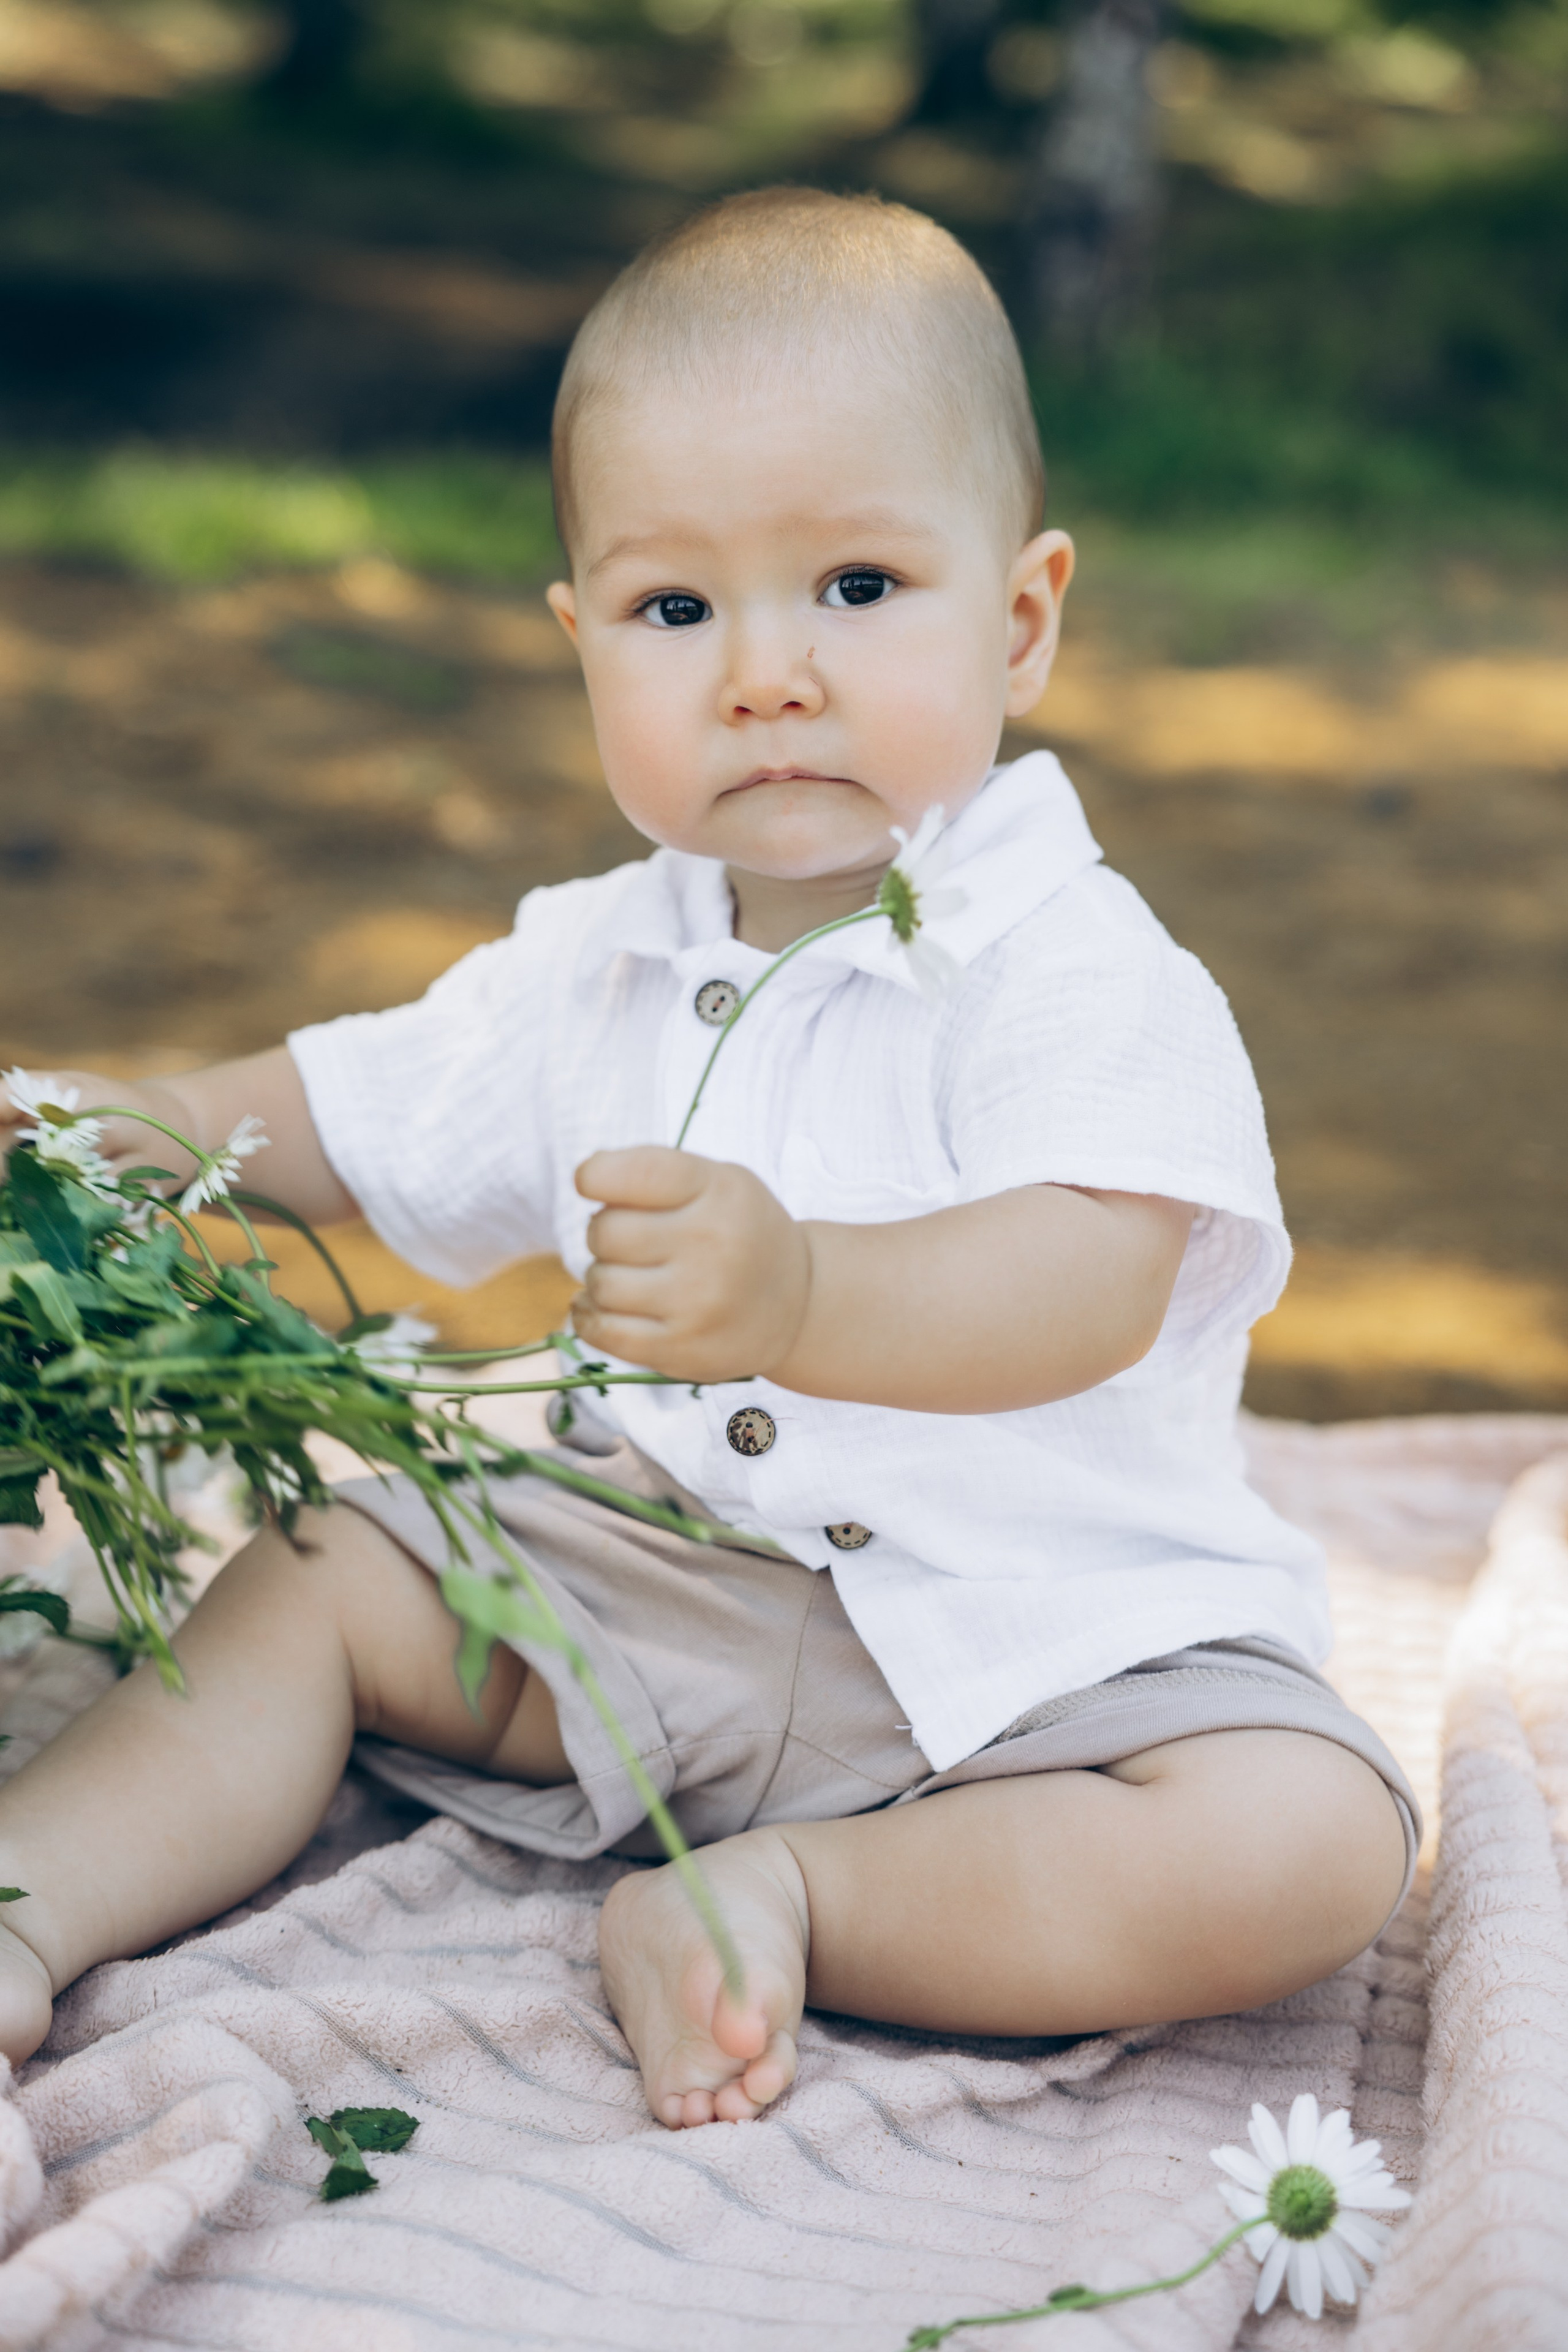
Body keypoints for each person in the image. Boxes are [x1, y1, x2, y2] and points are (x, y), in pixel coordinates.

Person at [0, 188, 1417, 2130]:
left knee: (1307, 1840)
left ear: (1021, 619)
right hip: (651, 1579)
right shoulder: (600, 957)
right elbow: (338, 1112)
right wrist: (87, 1139)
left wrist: (808, 1295)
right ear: (586, 642)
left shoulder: (1068, 959)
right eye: (676, 609)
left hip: (1044, 1654)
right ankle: (25, 1906)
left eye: (853, 587)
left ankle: (794, 1899)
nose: (763, 670)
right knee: (321, 1565)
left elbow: (1096, 1271)